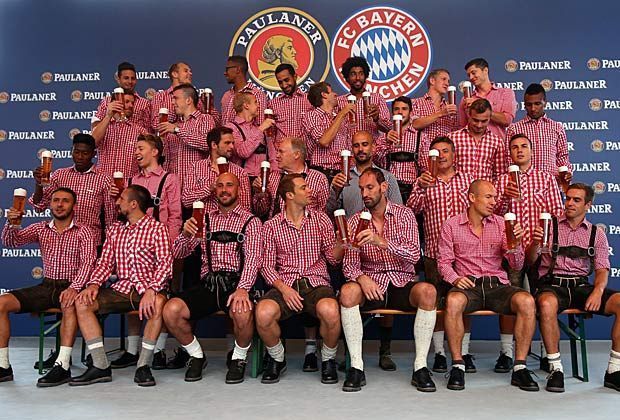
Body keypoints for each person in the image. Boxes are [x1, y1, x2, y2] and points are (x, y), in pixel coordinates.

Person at [340, 168, 435, 392]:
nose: (364, 193)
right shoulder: (355, 221)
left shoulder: (405, 215)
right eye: (361, 189)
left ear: (384, 188)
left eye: (370, 187)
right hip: (372, 284)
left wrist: (381, 242)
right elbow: (349, 265)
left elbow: (414, 255)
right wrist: (361, 278)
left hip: (401, 281)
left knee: (429, 292)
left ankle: (420, 367)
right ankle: (356, 367)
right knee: (347, 292)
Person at [438, 180, 538, 392]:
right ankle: (457, 365)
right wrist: (455, 279)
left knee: (527, 301)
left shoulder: (503, 224)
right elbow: (444, 263)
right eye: (489, 197)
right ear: (472, 198)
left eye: (495, 197)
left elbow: (517, 265)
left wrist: (516, 245)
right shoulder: (451, 224)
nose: (494, 201)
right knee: (453, 300)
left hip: (497, 284)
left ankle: (519, 367)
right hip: (468, 283)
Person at [163, 173, 262, 384]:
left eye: (229, 185)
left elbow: (253, 259)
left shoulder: (251, 221)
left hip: (236, 283)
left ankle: (238, 358)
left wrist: (243, 289)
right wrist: (185, 234)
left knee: (243, 312)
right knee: (171, 311)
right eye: (219, 186)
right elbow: (179, 253)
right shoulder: (204, 218)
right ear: (214, 190)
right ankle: (196, 355)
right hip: (208, 284)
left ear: (239, 190)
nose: (224, 190)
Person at [70, 185, 172, 387]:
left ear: (134, 204)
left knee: (159, 302)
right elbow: (105, 263)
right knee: (82, 302)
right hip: (122, 288)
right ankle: (100, 366)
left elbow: (165, 263)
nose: (117, 202)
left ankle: (143, 366)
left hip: (147, 288)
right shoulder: (115, 230)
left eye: (122, 199)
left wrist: (152, 290)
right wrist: (93, 284)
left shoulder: (157, 228)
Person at [527, 183, 620, 393]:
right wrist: (533, 245)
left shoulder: (597, 234)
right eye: (567, 198)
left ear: (588, 204)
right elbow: (530, 261)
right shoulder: (549, 226)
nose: (569, 203)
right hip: (553, 285)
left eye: (576, 200)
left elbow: (603, 269)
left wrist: (597, 291)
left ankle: (614, 371)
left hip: (580, 287)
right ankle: (555, 368)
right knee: (546, 303)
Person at [0, 188, 96, 386]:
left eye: (65, 201)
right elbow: (10, 242)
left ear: (74, 206)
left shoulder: (84, 231)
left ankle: (62, 366)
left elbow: (89, 263)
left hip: (71, 285)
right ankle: (3, 367)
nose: (59, 204)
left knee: (69, 303)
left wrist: (75, 287)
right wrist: (11, 223)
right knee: (1, 303)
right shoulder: (40, 228)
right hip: (46, 286)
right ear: (50, 204)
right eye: (55, 200)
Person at [255, 174, 345, 384]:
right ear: (289, 195)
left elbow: (332, 259)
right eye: (304, 187)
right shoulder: (271, 226)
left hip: (316, 283)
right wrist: (284, 289)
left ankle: (328, 360)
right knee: (263, 312)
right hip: (285, 284)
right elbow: (266, 266)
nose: (310, 191)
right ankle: (277, 358)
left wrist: (342, 242)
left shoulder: (321, 219)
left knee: (331, 311)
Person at [107, 134, 182, 370]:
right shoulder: (131, 179)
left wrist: (165, 250)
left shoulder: (169, 179)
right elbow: (122, 217)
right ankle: (131, 350)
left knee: (161, 298)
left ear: (155, 151)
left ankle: (157, 351)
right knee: (132, 291)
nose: (136, 153)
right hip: (133, 245)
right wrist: (116, 200)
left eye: (140, 148)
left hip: (161, 247)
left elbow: (175, 216)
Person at [491, 133, 564, 372]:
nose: (519, 150)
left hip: (539, 250)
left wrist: (546, 243)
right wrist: (505, 198)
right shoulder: (502, 181)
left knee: (543, 299)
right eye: (514, 147)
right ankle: (506, 352)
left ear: (532, 151)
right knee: (510, 300)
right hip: (509, 250)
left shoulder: (546, 179)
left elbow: (556, 215)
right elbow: (493, 215)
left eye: (524, 146)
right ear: (509, 153)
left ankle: (546, 351)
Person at [406, 136, 474, 373]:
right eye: (436, 152)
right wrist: (422, 188)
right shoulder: (423, 180)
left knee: (464, 304)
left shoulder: (468, 180)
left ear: (454, 155)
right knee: (435, 303)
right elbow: (411, 210)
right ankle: (439, 353)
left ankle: (464, 352)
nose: (441, 156)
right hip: (434, 253)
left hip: (464, 254)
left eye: (445, 151)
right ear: (429, 157)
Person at [30, 134, 115, 247]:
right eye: (76, 152)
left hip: (91, 242)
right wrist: (39, 184)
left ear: (93, 154)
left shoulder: (104, 179)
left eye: (85, 153)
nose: (80, 157)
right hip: (62, 240)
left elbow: (110, 216)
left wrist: (109, 245)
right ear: (71, 151)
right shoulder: (59, 175)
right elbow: (39, 206)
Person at [506, 83, 572, 184]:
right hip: (524, 185)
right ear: (524, 105)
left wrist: (567, 172)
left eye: (537, 104)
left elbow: (563, 157)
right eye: (529, 104)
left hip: (551, 185)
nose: (533, 108)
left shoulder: (556, 127)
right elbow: (508, 158)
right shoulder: (514, 129)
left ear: (545, 103)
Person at [327, 130, 402, 217]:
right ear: (352, 150)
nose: (360, 149)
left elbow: (398, 212)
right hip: (353, 229)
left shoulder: (387, 177)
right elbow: (330, 212)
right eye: (356, 145)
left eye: (365, 144)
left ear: (373, 147)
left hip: (382, 230)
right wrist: (335, 191)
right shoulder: (343, 179)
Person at [252, 136, 329, 220]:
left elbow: (323, 213)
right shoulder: (272, 176)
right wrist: (260, 193)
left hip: (306, 230)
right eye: (277, 151)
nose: (277, 155)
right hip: (275, 230)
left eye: (281, 152)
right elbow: (260, 212)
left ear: (296, 154)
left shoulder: (319, 179)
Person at [156, 83, 215, 190]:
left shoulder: (205, 119)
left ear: (188, 100)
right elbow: (167, 160)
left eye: (176, 98)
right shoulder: (173, 126)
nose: (172, 102)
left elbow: (206, 144)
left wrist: (177, 131)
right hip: (174, 187)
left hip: (197, 185)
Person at [182, 127, 252, 212]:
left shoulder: (240, 172)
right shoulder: (196, 167)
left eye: (233, 143)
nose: (232, 146)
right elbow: (186, 201)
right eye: (227, 143)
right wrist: (209, 189)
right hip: (205, 222)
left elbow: (246, 207)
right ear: (214, 145)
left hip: (231, 223)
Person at [302, 81, 354, 183]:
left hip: (343, 172)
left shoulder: (341, 119)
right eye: (332, 92)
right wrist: (342, 113)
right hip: (322, 173)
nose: (336, 94)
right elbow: (324, 141)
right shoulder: (312, 115)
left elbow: (348, 147)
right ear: (324, 95)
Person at [91, 89, 148, 178]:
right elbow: (93, 143)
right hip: (103, 183)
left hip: (129, 184)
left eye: (132, 103)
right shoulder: (104, 127)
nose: (131, 105)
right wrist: (108, 115)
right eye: (127, 102)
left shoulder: (140, 131)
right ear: (115, 103)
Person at [449, 98, 507, 183]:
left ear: (490, 117)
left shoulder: (496, 142)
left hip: (486, 193)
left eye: (484, 121)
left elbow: (500, 175)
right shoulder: (453, 138)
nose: (479, 125)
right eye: (475, 120)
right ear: (469, 115)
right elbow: (447, 171)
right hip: (459, 192)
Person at [376, 96, 423, 202]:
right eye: (397, 109)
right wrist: (386, 142)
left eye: (404, 109)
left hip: (412, 190)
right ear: (392, 113)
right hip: (390, 189)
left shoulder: (420, 137)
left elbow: (425, 169)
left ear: (410, 113)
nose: (400, 112)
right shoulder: (384, 137)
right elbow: (375, 161)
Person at [458, 58, 517, 139]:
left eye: (473, 73)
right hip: (473, 148)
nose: (471, 77)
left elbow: (506, 120)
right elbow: (462, 127)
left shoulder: (505, 93)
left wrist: (478, 105)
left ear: (485, 70)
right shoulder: (465, 99)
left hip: (498, 148)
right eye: (469, 75)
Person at [336, 56, 390, 142]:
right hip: (348, 151)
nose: (357, 78)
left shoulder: (377, 98)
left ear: (365, 76)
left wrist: (377, 119)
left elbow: (388, 129)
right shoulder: (339, 101)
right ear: (347, 78)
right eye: (353, 74)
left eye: (361, 73)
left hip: (372, 151)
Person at [226, 92, 277, 177]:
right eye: (255, 102)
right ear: (246, 105)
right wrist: (261, 129)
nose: (259, 106)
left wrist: (272, 179)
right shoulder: (231, 128)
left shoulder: (261, 128)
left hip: (263, 180)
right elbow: (243, 152)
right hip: (242, 179)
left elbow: (273, 158)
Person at [91, 61, 151, 131]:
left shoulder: (145, 103)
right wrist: (108, 115)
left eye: (133, 78)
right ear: (118, 79)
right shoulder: (107, 101)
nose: (130, 81)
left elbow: (148, 130)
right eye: (126, 78)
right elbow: (95, 127)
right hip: (111, 140)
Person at [268, 64, 314, 152]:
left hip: (305, 155)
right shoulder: (273, 104)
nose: (284, 85)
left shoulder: (309, 100)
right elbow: (271, 134)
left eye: (286, 80)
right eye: (280, 82)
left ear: (295, 76)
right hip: (282, 156)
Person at [411, 68, 459, 142]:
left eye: (448, 81)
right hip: (423, 151)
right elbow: (415, 124)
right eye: (443, 79)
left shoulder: (450, 107)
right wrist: (441, 113)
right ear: (432, 81)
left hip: (444, 151)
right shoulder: (416, 102)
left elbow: (455, 131)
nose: (447, 84)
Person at [221, 55, 268, 126]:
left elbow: (261, 126)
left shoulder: (257, 95)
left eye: (227, 69)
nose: (225, 73)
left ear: (237, 69)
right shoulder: (226, 95)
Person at [149, 61, 193, 131]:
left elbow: (199, 121)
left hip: (189, 139)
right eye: (186, 71)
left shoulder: (192, 97)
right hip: (167, 140)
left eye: (190, 71)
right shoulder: (160, 96)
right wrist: (175, 110)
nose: (190, 73)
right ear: (175, 74)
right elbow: (156, 124)